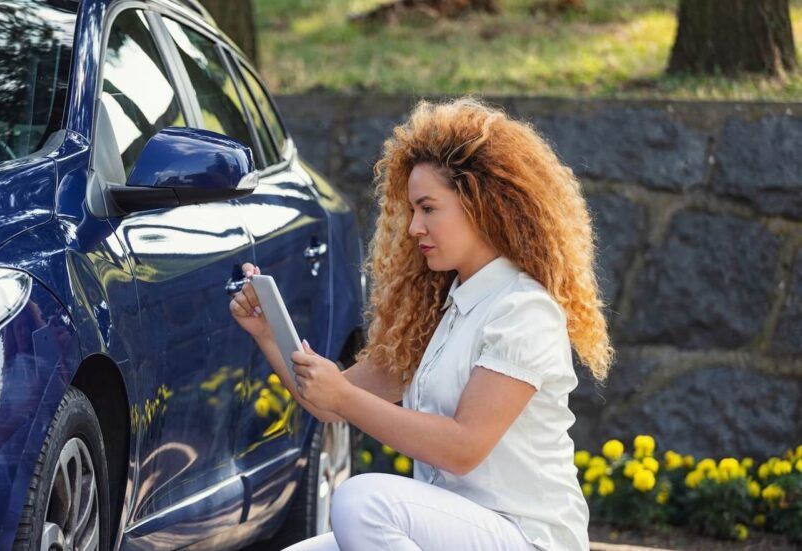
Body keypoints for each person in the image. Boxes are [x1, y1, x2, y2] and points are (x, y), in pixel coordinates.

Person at [229, 96, 613, 551]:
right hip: (450, 532)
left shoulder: (523, 309)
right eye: (412, 210)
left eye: (428, 208)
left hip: (526, 538)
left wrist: (344, 396)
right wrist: (269, 335)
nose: (413, 227)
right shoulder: (437, 311)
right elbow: (330, 404)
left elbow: (462, 448)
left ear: (482, 204)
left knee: (361, 501)